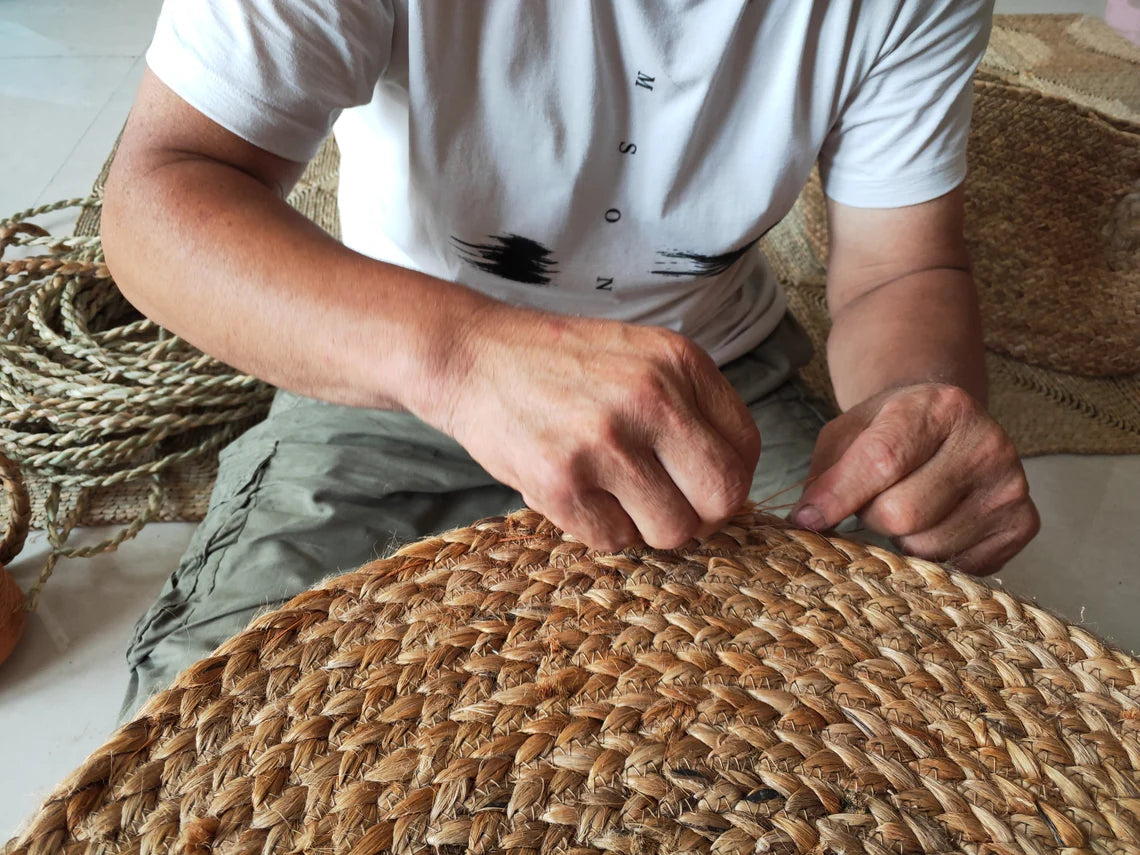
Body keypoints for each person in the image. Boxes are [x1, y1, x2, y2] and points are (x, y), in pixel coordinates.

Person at [102, 0, 1039, 720]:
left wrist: (915, 405)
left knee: (907, 699)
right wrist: (467, 358)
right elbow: (159, 199)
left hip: (714, 382)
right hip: (390, 371)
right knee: (219, 721)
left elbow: (900, 265)